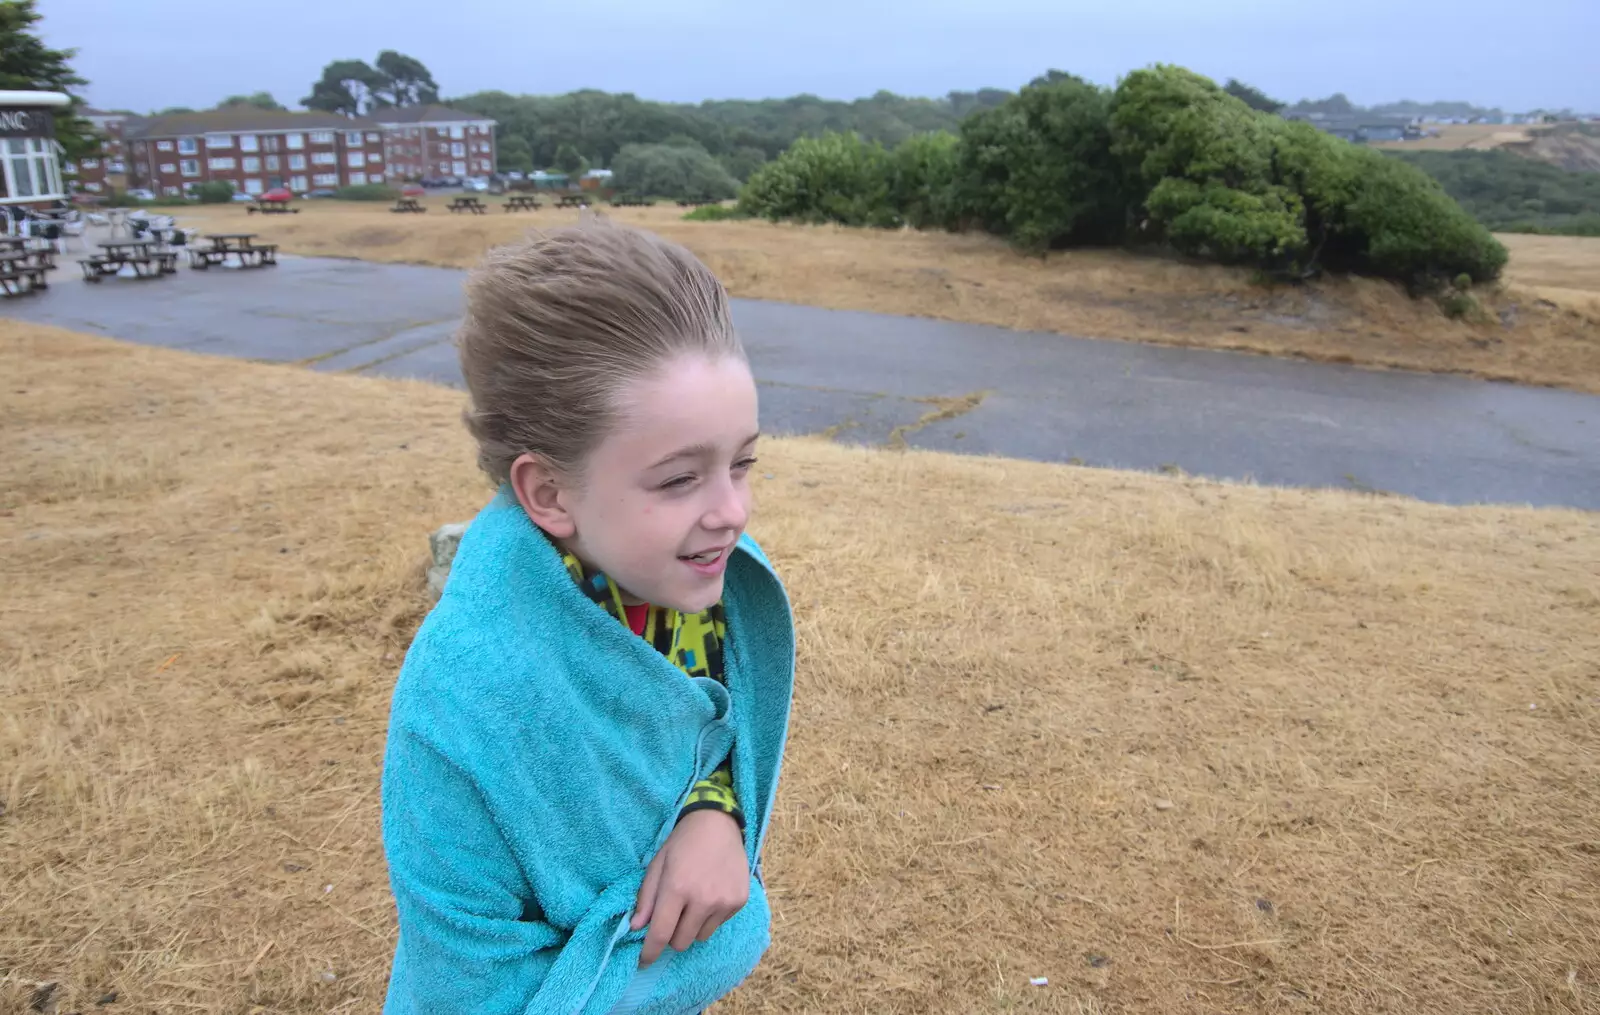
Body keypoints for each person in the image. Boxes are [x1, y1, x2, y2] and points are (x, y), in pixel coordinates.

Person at [381, 220, 796, 1014]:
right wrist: (699, 943)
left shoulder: (690, 585)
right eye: (680, 479)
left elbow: (715, 721)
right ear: (548, 493)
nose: (733, 512)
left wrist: (716, 811)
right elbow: (466, 983)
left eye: (742, 462)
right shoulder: (462, 703)